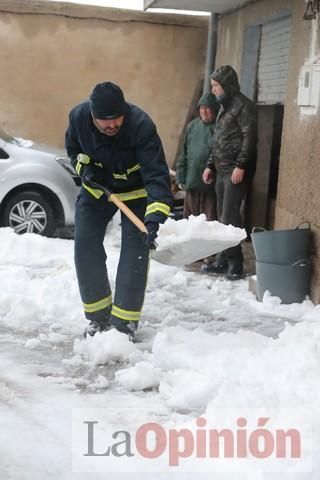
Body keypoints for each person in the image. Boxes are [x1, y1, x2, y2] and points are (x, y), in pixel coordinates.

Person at [65, 81, 173, 337]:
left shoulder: (141, 125)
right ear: (93, 116)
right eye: (105, 120)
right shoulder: (78, 118)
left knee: (136, 250)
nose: (112, 124)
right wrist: (85, 171)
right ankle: (98, 318)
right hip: (98, 190)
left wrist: (155, 217)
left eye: (117, 118)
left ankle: (124, 323)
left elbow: (157, 174)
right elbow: (74, 151)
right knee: (85, 246)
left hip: (135, 194)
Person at [202, 65, 257, 280]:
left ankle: (235, 263)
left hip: (235, 170)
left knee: (229, 217)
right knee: (222, 217)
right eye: (213, 86)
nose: (213, 90)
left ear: (227, 85)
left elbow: (250, 138)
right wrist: (210, 165)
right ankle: (223, 259)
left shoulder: (244, 106)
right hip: (222, 168)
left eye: (216, 86)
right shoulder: (225, 107)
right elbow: (219, 140)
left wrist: (241, 166)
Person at [176, 92, 220, 221]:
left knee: (209, 220)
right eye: (202, 108)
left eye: (208, 108)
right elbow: (184, 153)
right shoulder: (192, 126)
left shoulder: (219, 127)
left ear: (215, 109)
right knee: (189, 219)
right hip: (192, 180)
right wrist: (180, 176)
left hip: (210, 184)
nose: (204, 112)